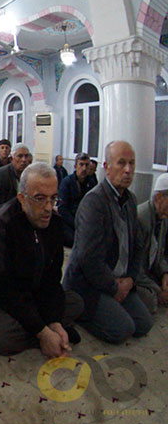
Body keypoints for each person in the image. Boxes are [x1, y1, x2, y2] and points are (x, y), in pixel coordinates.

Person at [0, 163, 83, 357]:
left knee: (77, 302)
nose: (48, 207)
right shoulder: (0, 225)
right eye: (40, 199)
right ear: (22, 198)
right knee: (3, 337)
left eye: (53, 198)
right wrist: (42, 331)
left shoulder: (53, 223)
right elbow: (0, 288)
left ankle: (40, 330)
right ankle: (39, 334)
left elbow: (52, 279)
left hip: (27, 292)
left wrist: (53, 321)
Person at [64, 141, 153, 344]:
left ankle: (112, 305)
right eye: (121, 163)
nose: (128, 170)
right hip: (90, 284)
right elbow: (88, 259)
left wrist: (130, 279)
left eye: (132, 163)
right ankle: (79, 311)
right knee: (123, 330)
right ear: (106, 167)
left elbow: (137, 247)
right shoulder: (93, 203)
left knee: (144, 324)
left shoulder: (130, 201)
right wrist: (114, 288)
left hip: (119, 280)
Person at [135, 173, 168, 313]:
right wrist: (158, 290)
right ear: (160, 198)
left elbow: (159, 254)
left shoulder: (164, 218)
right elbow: (136, 267)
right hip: (137, 276)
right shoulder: (142, 219)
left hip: (150, 273)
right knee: (150, 302)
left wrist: (165, 273)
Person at [57, 153, 93, 247]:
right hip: (69, 221)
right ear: (75, 166)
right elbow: (62, 209)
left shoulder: (92, 183)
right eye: (81, 164)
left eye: (87, 165)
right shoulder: (67, 182)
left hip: (85, 221)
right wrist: (77, 224)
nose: (84, 168)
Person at [0, 144, 32, 209]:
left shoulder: (31, 175)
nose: (24, 160)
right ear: (11, 159)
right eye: (20, 156)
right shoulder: (0, 174)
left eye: (26, 156)